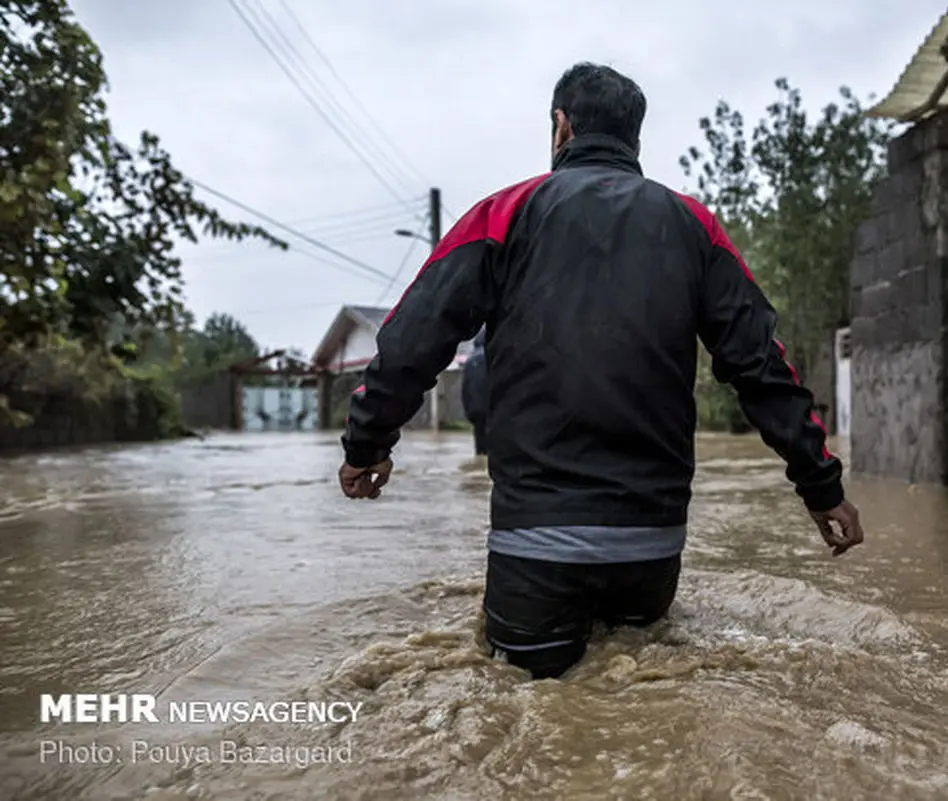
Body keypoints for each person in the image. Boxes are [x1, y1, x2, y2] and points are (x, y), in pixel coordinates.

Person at [337, 62, 864, 680]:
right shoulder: (694, 228)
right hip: (652, 543)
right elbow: (761, 368)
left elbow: (410, 343)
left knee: (525, 709)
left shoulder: (504, 214)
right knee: (643, 699)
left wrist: (366, 442)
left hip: (534, 544)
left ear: (561, 127)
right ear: (633, 140)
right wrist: (822, 489)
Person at [461, 325, 489, 456]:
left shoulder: (470, 361)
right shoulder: (494, 356)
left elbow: (465, 388)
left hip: (475, 409)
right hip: (493, 409)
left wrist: (468, 409)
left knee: (480, 448)